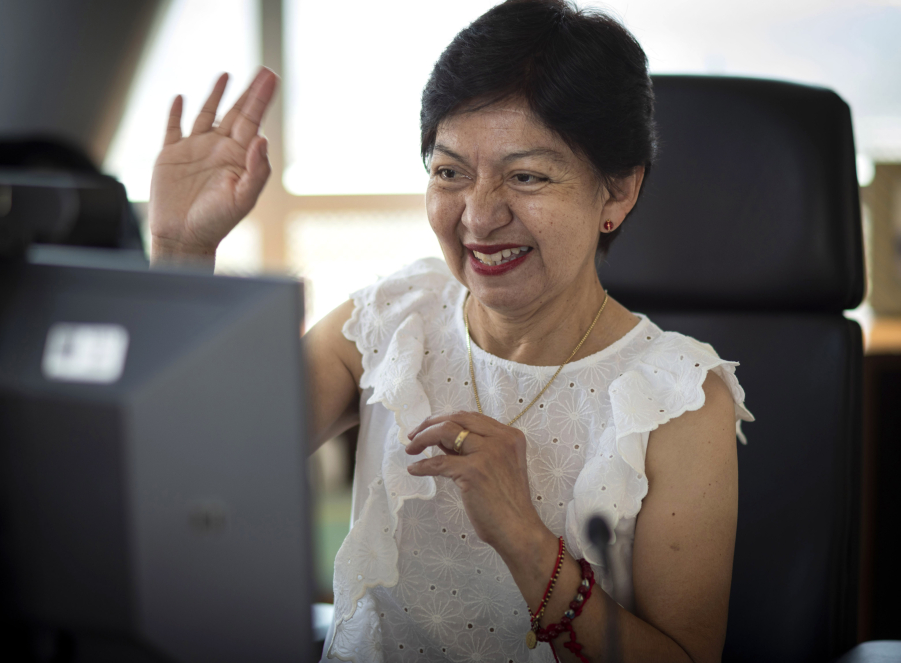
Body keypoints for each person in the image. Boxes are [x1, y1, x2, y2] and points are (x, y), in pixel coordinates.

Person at [147, 1, 753, 660]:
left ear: (616, 192)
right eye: (449, 172)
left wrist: (525, 540)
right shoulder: (388, 320)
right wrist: (180, 252)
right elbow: (206, 466)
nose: (479, 215)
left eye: (525, 176)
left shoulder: (678, 400)